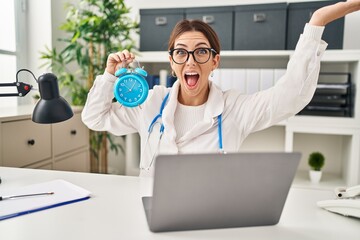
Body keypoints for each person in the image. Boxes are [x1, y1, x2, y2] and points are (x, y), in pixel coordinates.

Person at [82, 1, 360, 177]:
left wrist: (316, 23)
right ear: (172, 60)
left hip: (210, 218)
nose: (190, 60)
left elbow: (291, 96)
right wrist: (108, 76)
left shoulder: (235, 108)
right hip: (154, 213)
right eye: (181, 52)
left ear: (215, 60)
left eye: (201, 51)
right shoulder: (151, 104)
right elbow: (94, 118)